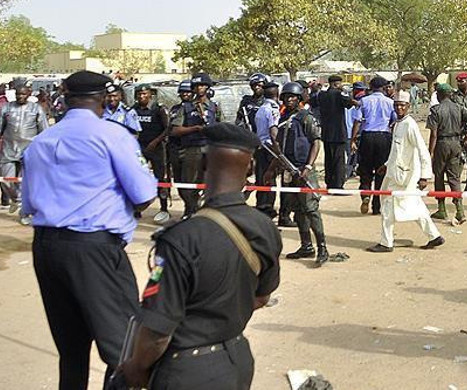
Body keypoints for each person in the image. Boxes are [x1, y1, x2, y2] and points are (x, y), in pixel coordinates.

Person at [115, 123, 282, 390]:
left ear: (204, 163)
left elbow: (158, 332)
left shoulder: (181, 238)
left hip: (187, 370)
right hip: (237, 359)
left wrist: (134, 368)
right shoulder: (265, 227)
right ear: (250, 168)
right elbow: (262, 296)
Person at [22, 70, 157, 389]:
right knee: (125, 348)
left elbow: (27, 204)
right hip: (93, 248)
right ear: (103, 99)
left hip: (47, 248)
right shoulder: (112, 135)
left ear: (66, 99)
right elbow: (144, 194)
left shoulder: (41, 142)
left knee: (71, 351)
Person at [367, 91, 444, 252]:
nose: (399, 108)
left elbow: (422, 150)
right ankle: (434, 236)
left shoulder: (410, 125)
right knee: (416, 206)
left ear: (408, 106)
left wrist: (425, 176)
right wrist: (386, 165)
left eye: (402, 105)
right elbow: (396, 151)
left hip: (405, 177)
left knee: (387, 207)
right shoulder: (398, 124)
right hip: (394, 173)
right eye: (396, 105)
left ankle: (386, 243)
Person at [270, 82, 329, 265]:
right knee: (298, 210)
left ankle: (322, 248)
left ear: (299, 99)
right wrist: (271, 169)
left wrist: (308, 167)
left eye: (293, 97)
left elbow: (316, 142)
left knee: (311, 209)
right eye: (286, 97)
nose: (289, 100)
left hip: (304, 171)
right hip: (289, 170)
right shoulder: (283, 119)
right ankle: (306, 246)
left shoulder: (306, 117)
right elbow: (279, 148)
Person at [171, 73, 221, 219]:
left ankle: (207, 211)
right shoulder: (185, 107)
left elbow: (221, 127)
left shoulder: (214, 107)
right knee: (189, 183)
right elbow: (175, 130)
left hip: (211, 149)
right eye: (197, 86)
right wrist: (195, 129)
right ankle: (190, 209)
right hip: (192, 149)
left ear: (208, 87)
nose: (200, 88)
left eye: (203, 85)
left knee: (212, 182)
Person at [427, 83, 467, 223]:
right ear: (450, 94)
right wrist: (466, 139)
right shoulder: (459, 108)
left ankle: (442, 209)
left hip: (441, 144)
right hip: (456, 144)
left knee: (439, 176)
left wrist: (430, 152)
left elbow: (434, 134)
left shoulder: (435, 110)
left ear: (439, 95)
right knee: (454, 178)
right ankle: (460, 211)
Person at [1, 80, 49, 225]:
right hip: (9, 149)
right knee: (5, 180)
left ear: (29, 94)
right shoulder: (6, 108)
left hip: (29, 149)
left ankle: (24, 212)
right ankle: (16, 200)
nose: (20, 97)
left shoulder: (36, 109)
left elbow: (44, 130)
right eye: (18, 94)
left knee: (25, 183)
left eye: (23, 94)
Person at [351, 76, 395, 215]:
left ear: (371, 87)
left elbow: (357, 121)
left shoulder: (364, 101)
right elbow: (394, 121)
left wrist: (353, 139)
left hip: (367, 136)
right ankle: (377, 205)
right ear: (384, 88)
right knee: (381, 171)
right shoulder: (390, 102)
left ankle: (365, 194)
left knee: (365, 169)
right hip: (384, 137)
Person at [133, 84, 172, 224]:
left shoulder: (158, 109)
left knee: (160, 179)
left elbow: (167, 128)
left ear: (150, 95)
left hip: (157, 149)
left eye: (145, 94)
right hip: (140, 148)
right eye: (139, 94)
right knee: (137, 178)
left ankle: (164, 208)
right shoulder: (134, 109)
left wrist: (155, 142)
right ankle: (137, 209)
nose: (142, 96)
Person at [317, 74, 357, 189]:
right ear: (336, 84)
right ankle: (338, 185)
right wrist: (345, 93)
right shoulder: (339, 95)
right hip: (339, 133)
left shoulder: (322, 95)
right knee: (339, 161)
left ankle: (329, 183)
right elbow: (350, 103)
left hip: (326, 133)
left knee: (328, 159)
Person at [236, 73, 268, 208]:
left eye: (260, 85)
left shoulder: (268, 102)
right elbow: (239, 120)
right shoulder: (246, 102)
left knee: (262, 176)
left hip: (264, 144)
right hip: (248, 142)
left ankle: (262, 205)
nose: (257, 87)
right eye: (254, 85)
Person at [252, 81, 281, 218]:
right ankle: (267, 210)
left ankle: (261, 207)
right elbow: (273, 133)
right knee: (269, 180)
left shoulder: (261, 108)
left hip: (261, 147)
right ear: (277, 93)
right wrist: (278, 152)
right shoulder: (273, 109)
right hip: (269, 149)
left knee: (261, 179)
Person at [166, 80, 193, 208]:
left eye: (188, 92)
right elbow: (170, 128)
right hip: (175, 148)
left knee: (191, 181)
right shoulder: (175, 109)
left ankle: (191, 208)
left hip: (191, 149)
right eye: (182, 92)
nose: (185, 94)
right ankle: (188, 207)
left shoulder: (196, 108)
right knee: (178, 182)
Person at [345, 81, 367, 180]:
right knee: (353, 154)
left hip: (353, 132)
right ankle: (351, 172)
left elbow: (358, 120)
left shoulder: (359, 103)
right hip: (355, 131)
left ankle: (351, 172)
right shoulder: (357, 102)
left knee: (352, 154)